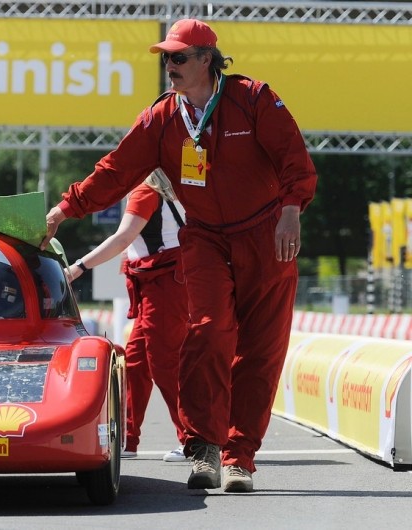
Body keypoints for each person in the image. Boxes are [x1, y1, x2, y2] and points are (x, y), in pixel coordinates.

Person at [42, 19, 317, 493]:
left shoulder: (253, 99)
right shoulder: (160, 118)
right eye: (165, 57)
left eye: (178, 57)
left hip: (266, 235)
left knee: (261, 350)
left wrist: (292, 209)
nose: (168, 66)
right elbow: (116, 170)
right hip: (205, 237)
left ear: (207, 59)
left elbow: (296, 159)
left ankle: (239, 459)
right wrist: (66, 208)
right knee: (208, 333)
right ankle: (204, 448)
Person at [65, 169, 189, 463]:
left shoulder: (145, 192)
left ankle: (193, 439)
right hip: (163, 285)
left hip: (164, 287)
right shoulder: (169, 190)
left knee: (165, 365)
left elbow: (122, 239)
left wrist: (77, 267)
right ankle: (127, 440)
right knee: (135, 363)